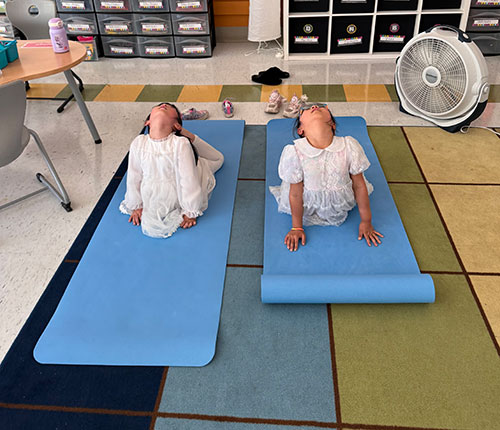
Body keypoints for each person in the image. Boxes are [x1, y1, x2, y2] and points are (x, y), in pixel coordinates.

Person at [270, 103, 383, 251]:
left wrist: (366, 221)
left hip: (340, 201)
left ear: (332, 124)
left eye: (322, 107)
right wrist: (297, 227)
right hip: (307, 204)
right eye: (306, 109)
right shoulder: (294, 152)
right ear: (301, 129)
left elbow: (359, 185)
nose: (315, 106)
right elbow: (296, 193)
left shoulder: (349, 146)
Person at [119, 102, 224, 238]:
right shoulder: (138, 142)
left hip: (182, 186)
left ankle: (188, 137)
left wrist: (191, 211)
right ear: (147, 122)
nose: (163, 105)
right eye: (159, 106)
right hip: (155, 191)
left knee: (218, 158)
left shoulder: (180, 144)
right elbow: (134, 177)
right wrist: (136, 204)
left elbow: (188, 181)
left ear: (176, 125)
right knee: (217, 158)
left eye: (170, 108)